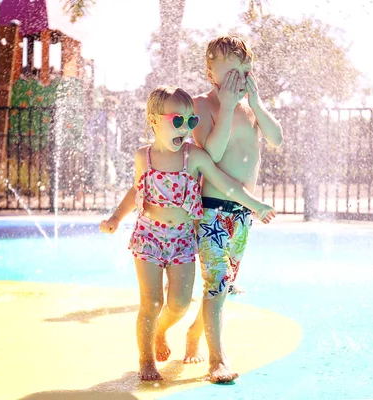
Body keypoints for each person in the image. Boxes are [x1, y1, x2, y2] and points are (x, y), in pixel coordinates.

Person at [99, 85, 276, 381]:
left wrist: (254, 204)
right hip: (149, 237)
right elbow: (136, 189)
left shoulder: (193, 156)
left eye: (191, 121)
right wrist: (116, 216)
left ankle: (160, 330)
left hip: (182, 239)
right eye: (177, 121)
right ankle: (146, 360)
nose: (186, 127)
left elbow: (225, 183)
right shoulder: (144, 157)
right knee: (151, 301)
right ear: (154, 119)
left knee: (179, 304)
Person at [183, 35, 284, 383]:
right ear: (211, 72)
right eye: (231, 72)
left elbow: (277, 138)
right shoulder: (203, 104)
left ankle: (196, 333)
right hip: (212, 209)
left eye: (246, 70)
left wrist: (256, 104)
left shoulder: (250, 107)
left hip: (243, 214)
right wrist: (225, 108)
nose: (240, 79)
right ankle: (217, 359)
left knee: (222, 287)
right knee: (215, 285)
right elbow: (210, 154)